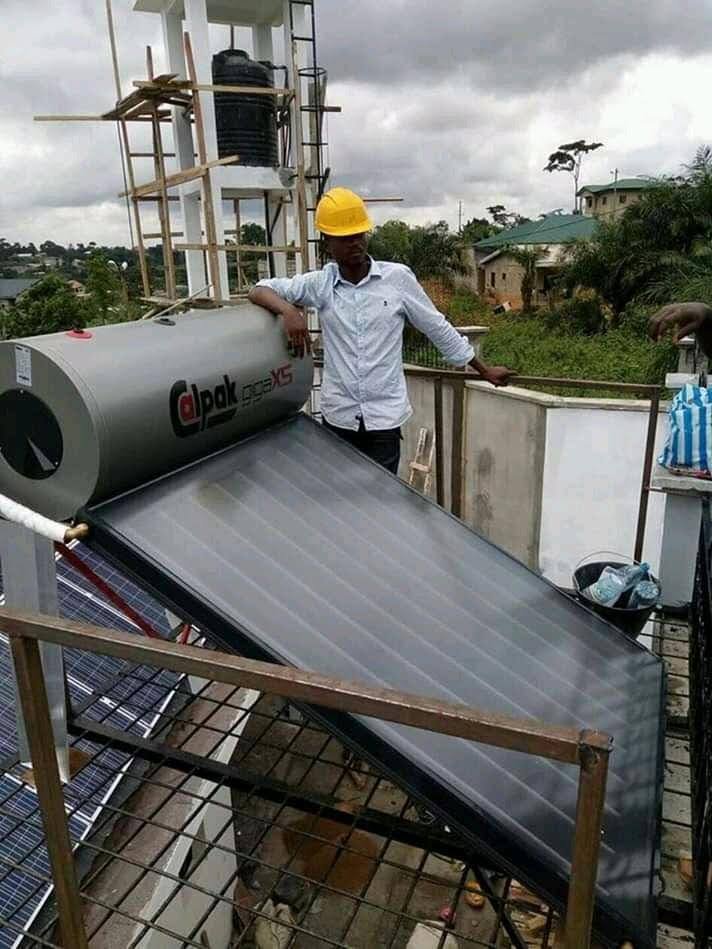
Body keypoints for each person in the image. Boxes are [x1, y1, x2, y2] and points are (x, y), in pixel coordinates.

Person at [249, 187, 513, 474]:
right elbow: (260, 289)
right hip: (339, 417)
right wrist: (288, 311)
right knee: (339, 492)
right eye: (345, 238)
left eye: (359, 235)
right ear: (328, 244)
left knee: (381, 495)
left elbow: (436, 326)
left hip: (384, 422)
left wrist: (483, 370)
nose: (355, 243)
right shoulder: (320, 284)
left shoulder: (397, 279)